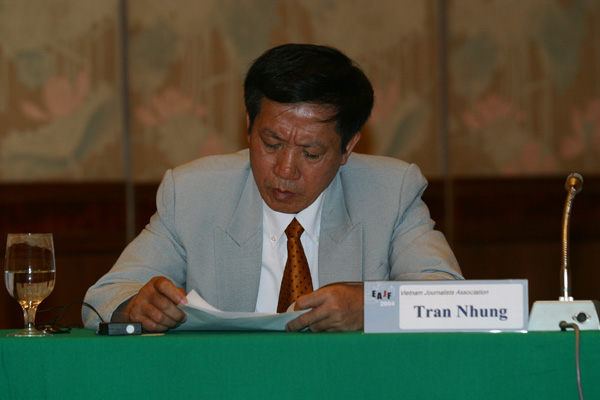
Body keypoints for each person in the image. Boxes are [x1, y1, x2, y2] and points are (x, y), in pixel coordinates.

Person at [83, 43, 462, 332]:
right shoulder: (193, 193)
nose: (285, 169)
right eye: (271, 143)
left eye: (311, 153)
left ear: (348, 147)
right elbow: (103, 298)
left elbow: (452, 299)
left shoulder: (391, 192)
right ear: (249, 125)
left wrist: (375, 307)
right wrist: (134, 308)